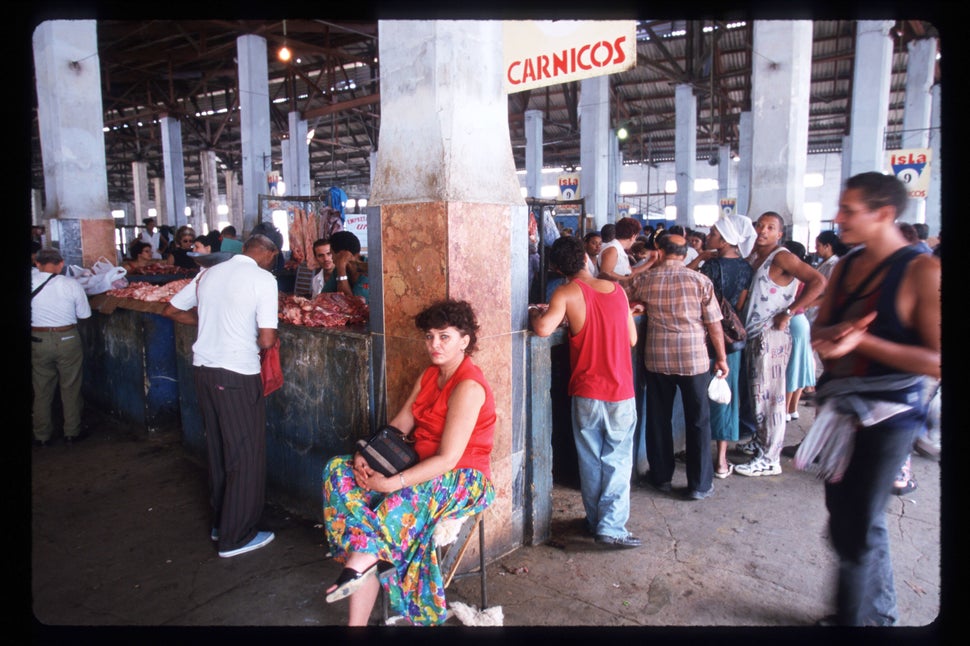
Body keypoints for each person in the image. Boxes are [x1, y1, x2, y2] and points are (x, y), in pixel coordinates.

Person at [798, 171, 940, 626]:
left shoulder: (922, 270)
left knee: (856, 524)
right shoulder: (846, 265)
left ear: (884, 214)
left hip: (891, 414)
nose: (838, 218)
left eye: (848, 211)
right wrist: (836, 337)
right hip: (841, 408)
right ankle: (871, 614)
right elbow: (821, 329)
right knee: (848, 517)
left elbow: (937, 360)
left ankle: (862, 620)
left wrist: (861, 343)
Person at [322, 299, 495, 626]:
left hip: (463, 480)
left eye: (444, 337)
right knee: (338, 469)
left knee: (400, 498)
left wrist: (389, 483)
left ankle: (360, 561)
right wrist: (366, 454)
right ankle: (366, 567)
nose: (434, 345)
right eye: (429, 336)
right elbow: (399, 427)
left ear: (465, 341)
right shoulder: (429, 375)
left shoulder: (468, 386)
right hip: (419, 466)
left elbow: (447, 460)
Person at [161, 227, 283, 559]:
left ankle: (221, 522)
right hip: (237, 375)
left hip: (203, 370)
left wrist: (207, 325)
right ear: (270, 253)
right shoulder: (263, 280)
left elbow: (170, 310)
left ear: (246, 246)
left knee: (217, 448)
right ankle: (237, 536)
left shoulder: (210, 272)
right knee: (245, 455)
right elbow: (267, 339)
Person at [531, 236, 641, 548]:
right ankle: (612, 527)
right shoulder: (618, 291)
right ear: (585, 259)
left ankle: (596, 521)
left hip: (586, 390)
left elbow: (542, 328)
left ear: (555, 268)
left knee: (591, 459)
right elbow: (631, 339)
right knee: (617, 459)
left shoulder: (566, 292)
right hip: (620, 390)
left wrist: (534, 312)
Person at [633, 233, 728, 500]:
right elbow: (714, 324)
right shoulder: (700, 281)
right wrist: (721, 357)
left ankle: (661, 477)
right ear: (685, 254)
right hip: (694, 359)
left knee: (658, 418)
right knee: (698, 421)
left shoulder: (644, 280)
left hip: (658, 358)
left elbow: (624, 294)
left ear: (659, 252)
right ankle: (699, 485)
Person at [734, 212, 826, 477]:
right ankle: (761, 443)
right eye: (759, 225)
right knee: (757, 397)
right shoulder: (754, 256)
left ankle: (770, 458)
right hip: (752, 333)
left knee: (770, 398)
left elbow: (819, 281)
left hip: (770, 334)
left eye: (770, 227)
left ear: (779, 234)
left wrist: (791, 311)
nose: (762, 230)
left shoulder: (782, 257)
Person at [698, 215, 755, 478]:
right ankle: (721, 461)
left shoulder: (710, 267)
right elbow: (740, 304)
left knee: (701, 396)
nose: (708, 236)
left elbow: (700, 300)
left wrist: (699, 258)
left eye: (712, 233)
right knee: (725, 395)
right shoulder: (745, 267)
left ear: (723, 239)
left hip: (707, 338)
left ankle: (698, 454)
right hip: (732, 338)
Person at [31, 248, 93, 446]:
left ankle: (41, 435)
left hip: (37, 340)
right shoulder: (71, 284)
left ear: (37, 264)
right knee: (71, 386)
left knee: (41, 389)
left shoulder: (30, 281)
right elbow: (84, 316)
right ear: (60, 264)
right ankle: (71, 432)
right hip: (67, 338)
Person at [781, 240, 816, 423]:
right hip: (801, 320)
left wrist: (788, 312)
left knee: (792, 366)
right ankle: (793, 408)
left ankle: (785, 409)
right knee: (800, 364)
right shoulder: (803, 274)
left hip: (792, 321)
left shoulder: (792, 275)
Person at [597, 217, 653, 284]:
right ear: (633, 236)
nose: (635, 241)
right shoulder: (612, 250)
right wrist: (628, 279)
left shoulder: (618, 249)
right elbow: (605, 274)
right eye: (636, 237)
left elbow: (632, 271)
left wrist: (652, 260)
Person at [321, 230, 368, 300]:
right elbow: (323, 297)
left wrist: (341, 269)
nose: (332, 258)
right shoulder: (337, 270)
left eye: (331, 254)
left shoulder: (370, 271)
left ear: (342, 254)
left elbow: (352, 305)